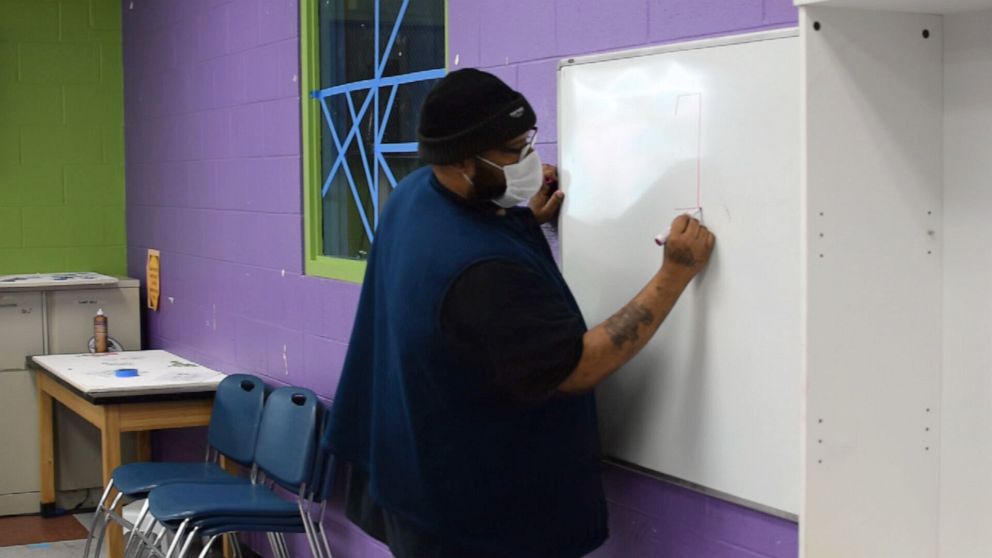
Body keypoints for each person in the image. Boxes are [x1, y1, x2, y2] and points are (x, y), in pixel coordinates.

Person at [326, 68, 715, 558]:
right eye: (514, 150)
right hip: (474, 520)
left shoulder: (414, 196)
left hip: (414, 481)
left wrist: (521, 216)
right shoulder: (481, 273)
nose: (529, 158)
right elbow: (578, 367)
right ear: (466, 159)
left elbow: (465, 254)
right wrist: (674, 274)